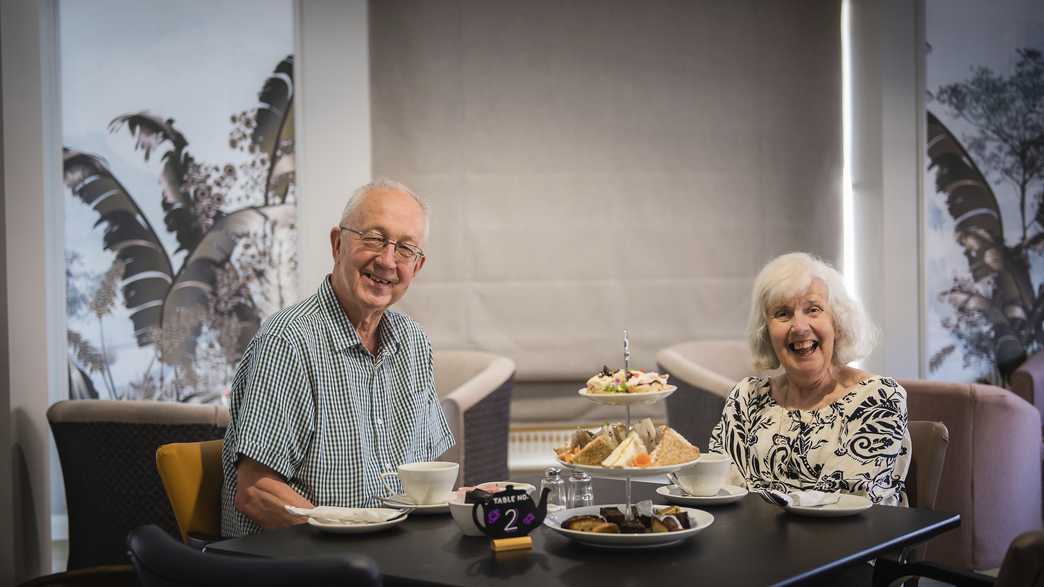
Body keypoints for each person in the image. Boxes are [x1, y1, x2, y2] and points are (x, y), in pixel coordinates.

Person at [220, 179, 454, 537]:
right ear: (337, 244)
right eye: (374, 238)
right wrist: (349, 537)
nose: (388, 261)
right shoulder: (289, 341)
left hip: (389, 555)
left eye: (406, 249)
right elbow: (255, 493)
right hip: (299, 562)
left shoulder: (414, 342)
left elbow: (423, 478)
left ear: (417, 268)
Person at [709, 252, 910, 506]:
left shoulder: (878, 398)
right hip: (753, 542)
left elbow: (848, 503)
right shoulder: (747, 398)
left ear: (837, 322)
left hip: (850, 544)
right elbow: (719, 488)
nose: (800, 327)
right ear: (766, 332)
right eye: (783, 313)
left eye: (813, 309)